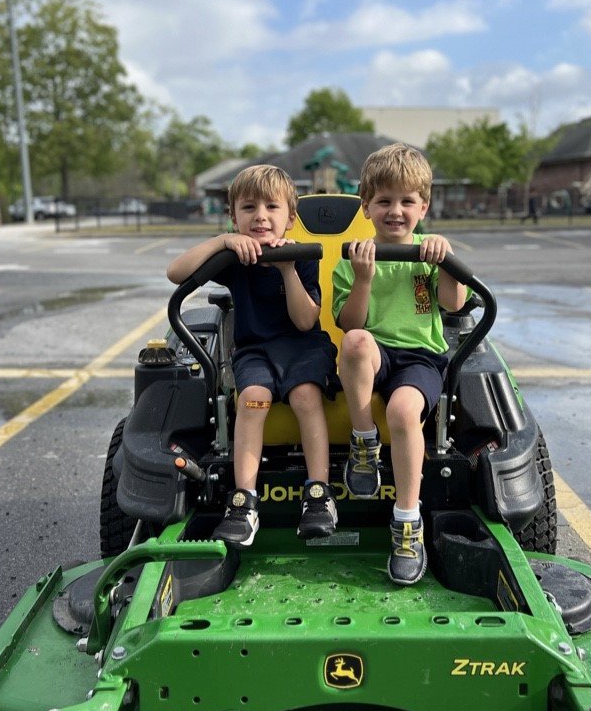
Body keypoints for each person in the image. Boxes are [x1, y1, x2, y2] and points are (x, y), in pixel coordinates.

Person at [167, 164, 339, 548]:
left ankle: (319, 495)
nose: (260, 216)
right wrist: (222, 243)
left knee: (305, 395)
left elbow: (305, 320)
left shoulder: (302, 255)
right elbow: (175, 273)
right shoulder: (236, 259)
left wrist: (287, 270)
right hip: (255, 350)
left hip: (303, 346)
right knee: (252, 399)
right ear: (234, 216)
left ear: (290, 218)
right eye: (248, 208)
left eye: (271, 207)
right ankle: (244, 502)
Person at [332, 144, 467, 585]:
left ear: (423, 206)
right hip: (373, 352)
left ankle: (408, 523)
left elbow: (453, 303)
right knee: (353, 341)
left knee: (404, 411)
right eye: (385, 201)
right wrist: (365, 278)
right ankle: (364, 443)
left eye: (407, 201)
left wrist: (446, 263)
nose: (396, 211)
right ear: (366, 206)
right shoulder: (354, 258)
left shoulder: (429, 255)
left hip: (420, 357)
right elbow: (351, 322)